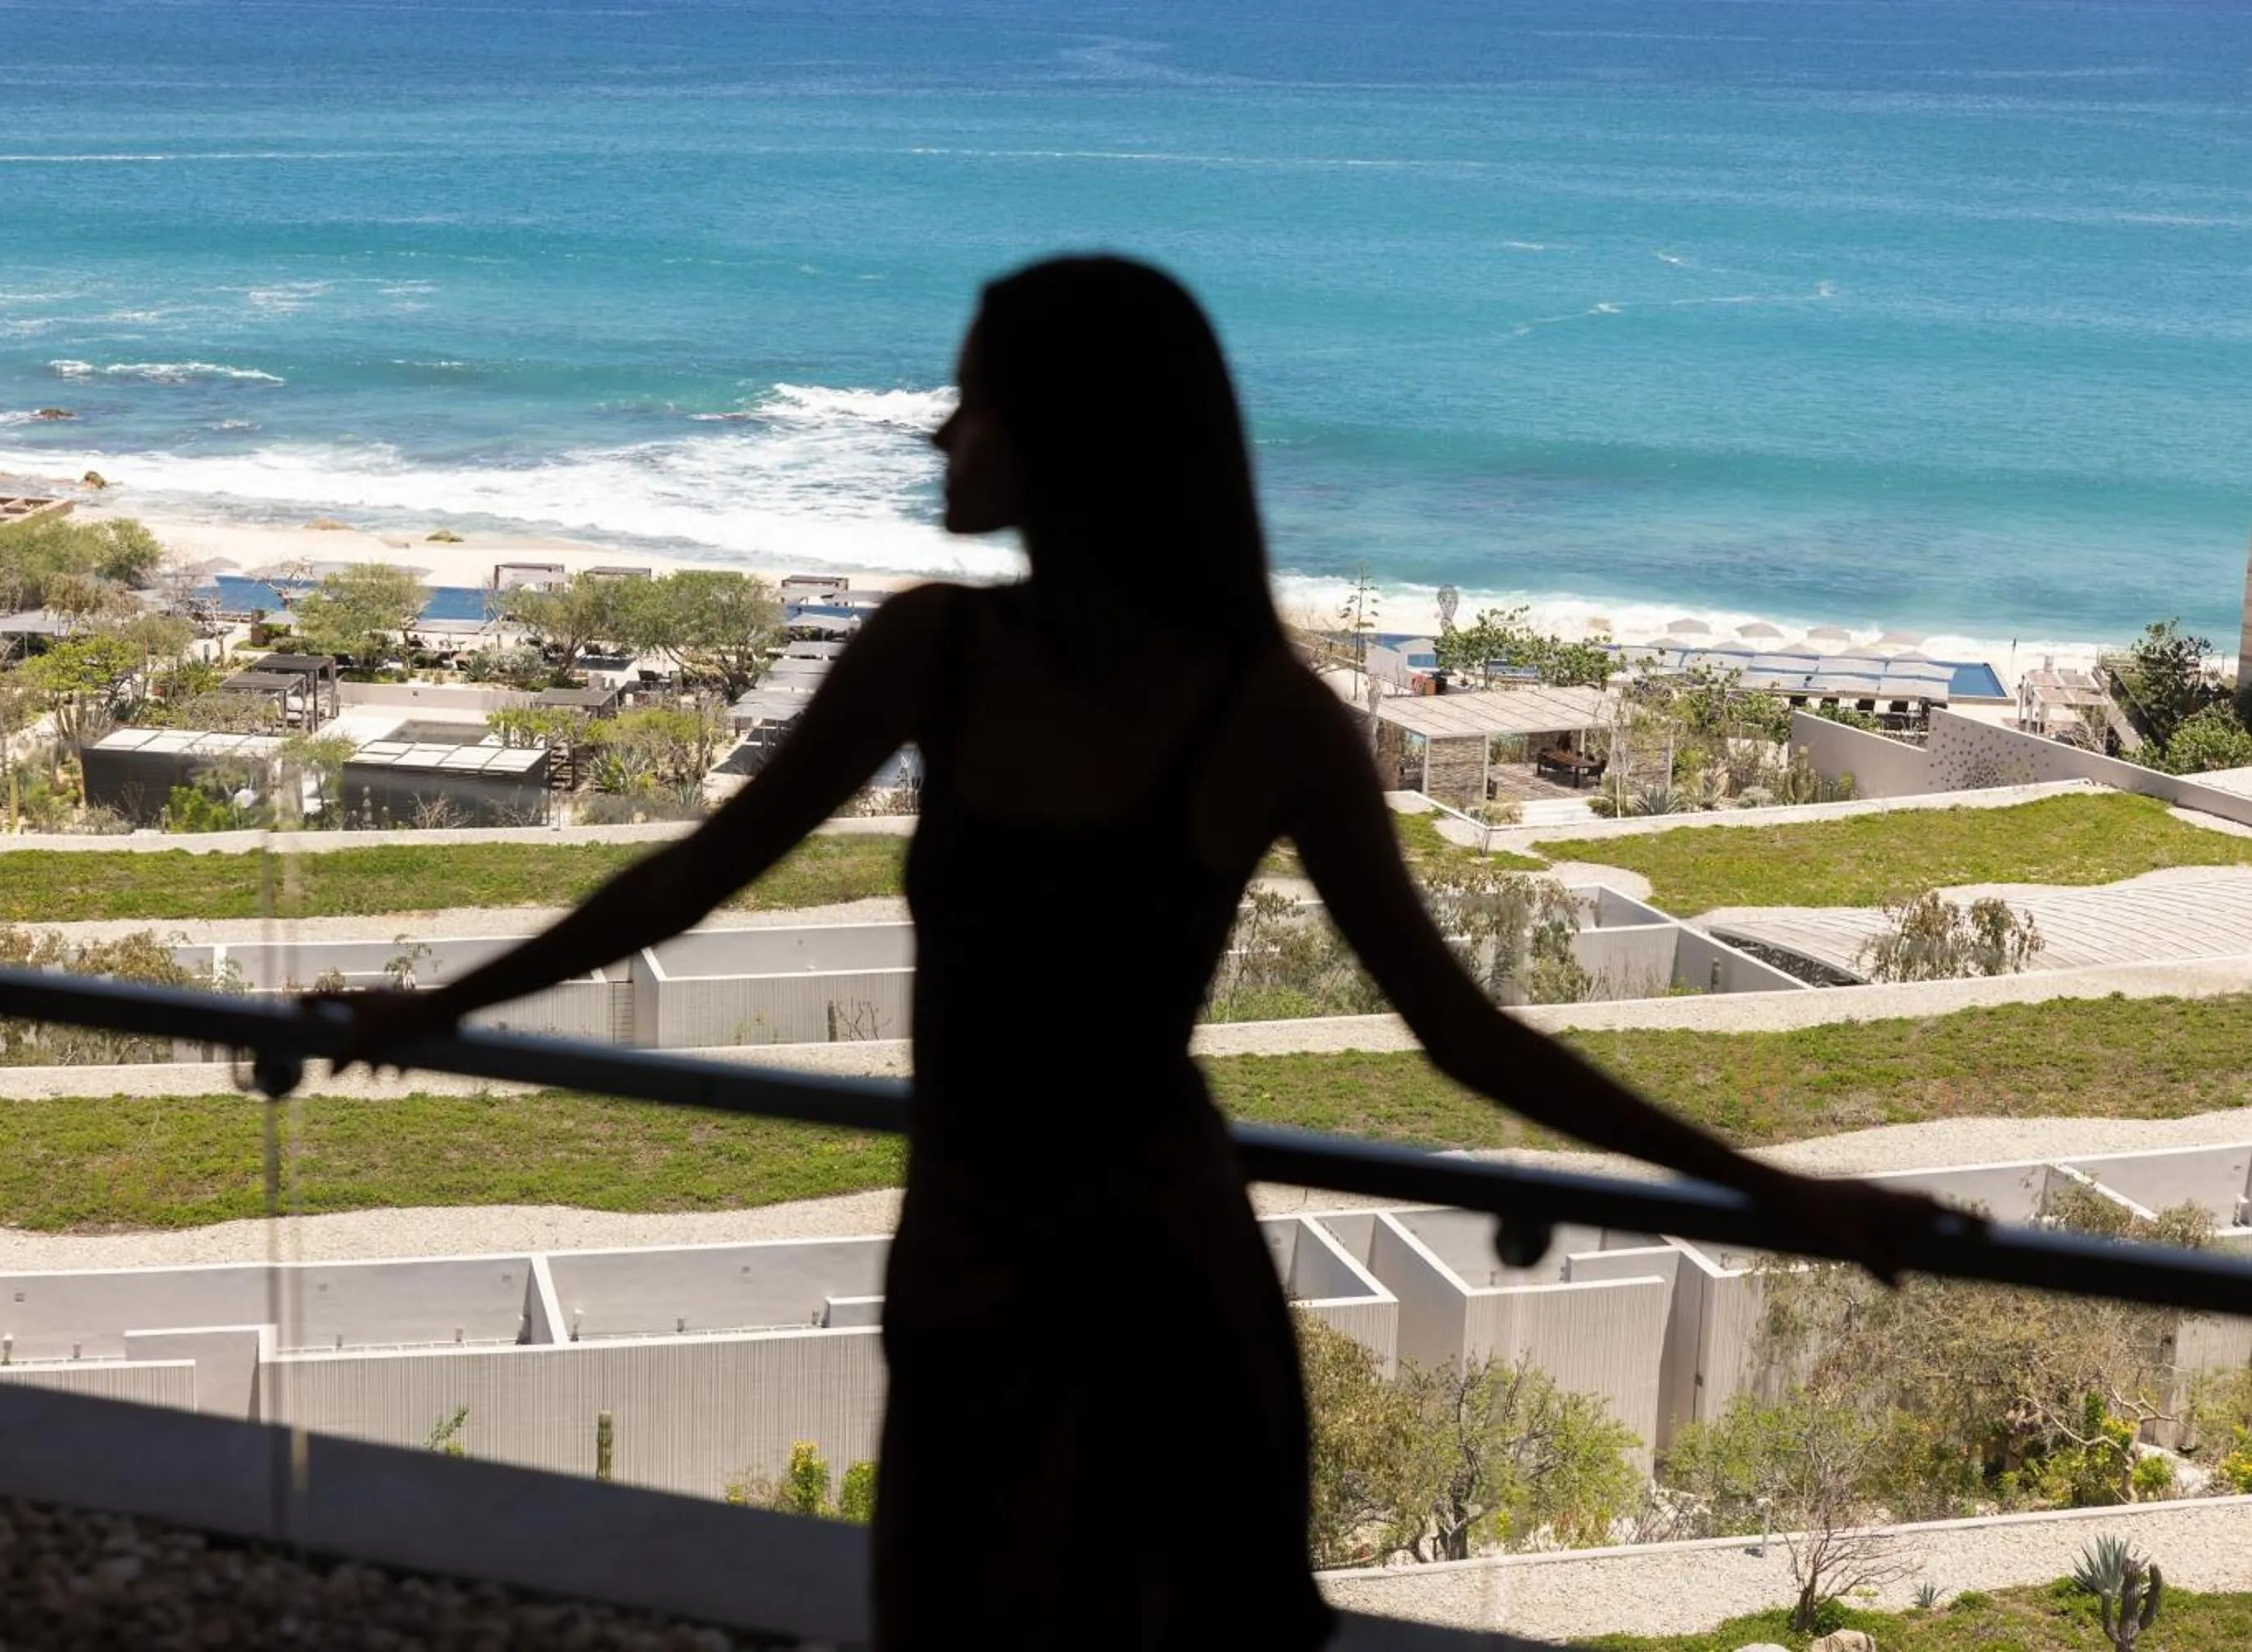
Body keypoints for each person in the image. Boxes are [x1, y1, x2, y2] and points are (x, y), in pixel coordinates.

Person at [321, 255, 1939, 1650]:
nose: (942, 434)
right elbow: (685, 878)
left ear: (1071, 439)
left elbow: (1462, 1031)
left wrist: (1776, 1195)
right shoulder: (1022, 669)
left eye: (977, 405)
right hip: (1026, 1278)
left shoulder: (1172, 700)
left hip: (1125, 1297)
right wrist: (438, 1005)